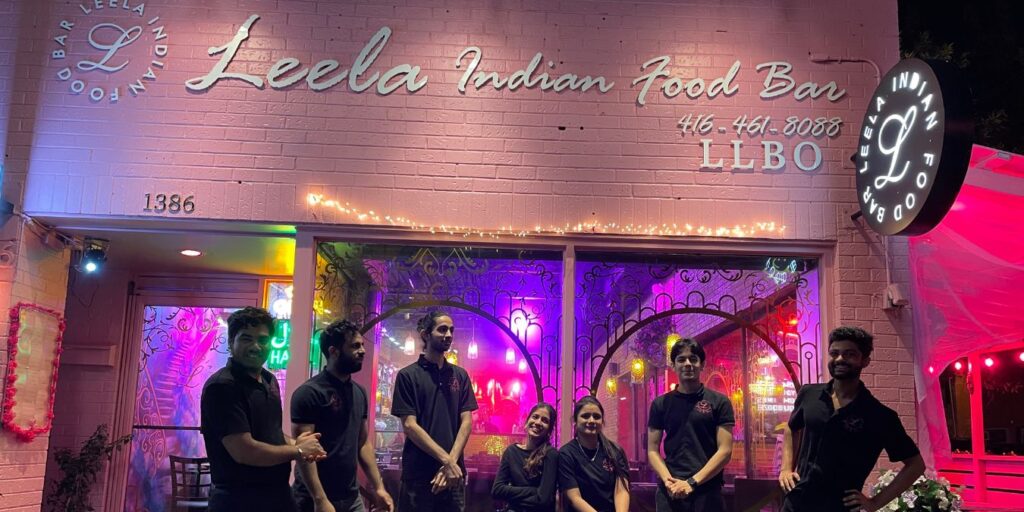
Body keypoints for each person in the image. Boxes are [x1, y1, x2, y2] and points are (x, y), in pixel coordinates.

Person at [779, 326, 925, 512]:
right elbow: (792, 427)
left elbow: (916, 465)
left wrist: (875, 503)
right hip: (795, 503)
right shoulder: (809, 394)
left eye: (849, 354)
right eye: (834, 353)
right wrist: (786, 469)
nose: (840, 359)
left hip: (839, 507)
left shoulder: (879, 415)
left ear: (865, 361)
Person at [200, 307, 326, 511]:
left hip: (279, 496)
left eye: (263, 340)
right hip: (237, 501)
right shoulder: (222, 387)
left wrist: (299, 443)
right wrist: (298, 450)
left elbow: (272, 433)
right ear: (231, 343)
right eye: (246, 339)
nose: (256, 346)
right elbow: (244, 450)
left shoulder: (269, 380)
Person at [291, 319, 394, 512]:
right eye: (355, 346)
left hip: (350, 497)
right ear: (333, 351)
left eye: (362, 345)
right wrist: (320, 499)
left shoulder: (359, 392)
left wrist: (379, 487)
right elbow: (304, 454)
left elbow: (362, 443)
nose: (362, 351)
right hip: (312, 499)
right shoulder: (308, 393)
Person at [391, 311, 479, 512]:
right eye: (442, 329)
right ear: (425, 335)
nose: (448, 334)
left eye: (451, 330)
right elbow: (409, 425)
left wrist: (451, 463)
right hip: (418, 476)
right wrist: (446, 461)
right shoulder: (407, 376)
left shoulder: (460, 375)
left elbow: (466, 422)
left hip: (453, 475)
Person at [647, 338, 735, 512]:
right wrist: (668, 481)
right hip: (670, 492)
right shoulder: (660, 404)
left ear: (702, 365)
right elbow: (652, 450)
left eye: (693, 359)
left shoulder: (719, 402)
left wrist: (692, 483)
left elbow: (725, 451)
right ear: (673, 365)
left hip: (707, 490)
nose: (688, 364)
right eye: (681, 359)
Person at [559, 396, 630, 512]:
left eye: (596, 417)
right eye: (585, 416)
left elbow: (621, 490)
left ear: (602, 421)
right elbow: (574, 498)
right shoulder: (566, 454)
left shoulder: (615, 451)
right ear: (575, 421)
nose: (591, 420)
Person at [491, 402, 560, 512]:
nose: (538, 422)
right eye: (535, 417)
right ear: (527, 421)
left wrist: (512, 500)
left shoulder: (551, 454)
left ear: (549, 430)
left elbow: (543, 500)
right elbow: (497, 490)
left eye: (544, 420)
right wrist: (534, 491)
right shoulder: (511, 452)